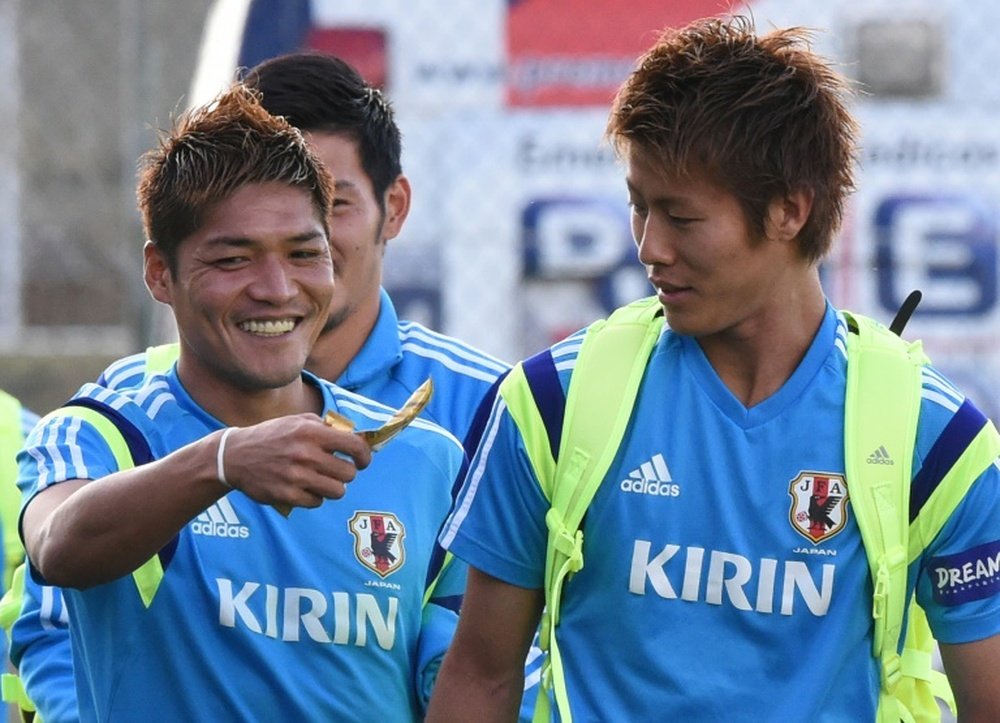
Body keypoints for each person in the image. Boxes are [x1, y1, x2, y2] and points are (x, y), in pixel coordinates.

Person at [426, 15, 1000, 722]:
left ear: (789, 210)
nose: (648, 246)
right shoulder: (551, 403)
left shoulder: (937, 441)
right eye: (638, 207)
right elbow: (482, 674)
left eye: (681, 216)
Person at [9, 53, 509, 723]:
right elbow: (59, 545)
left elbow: (464, 670)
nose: (276, 288)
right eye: (233, 258)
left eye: (305, 253)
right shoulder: (106, 428)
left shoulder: (427, 455)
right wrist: (223, 460)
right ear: (161, 273)